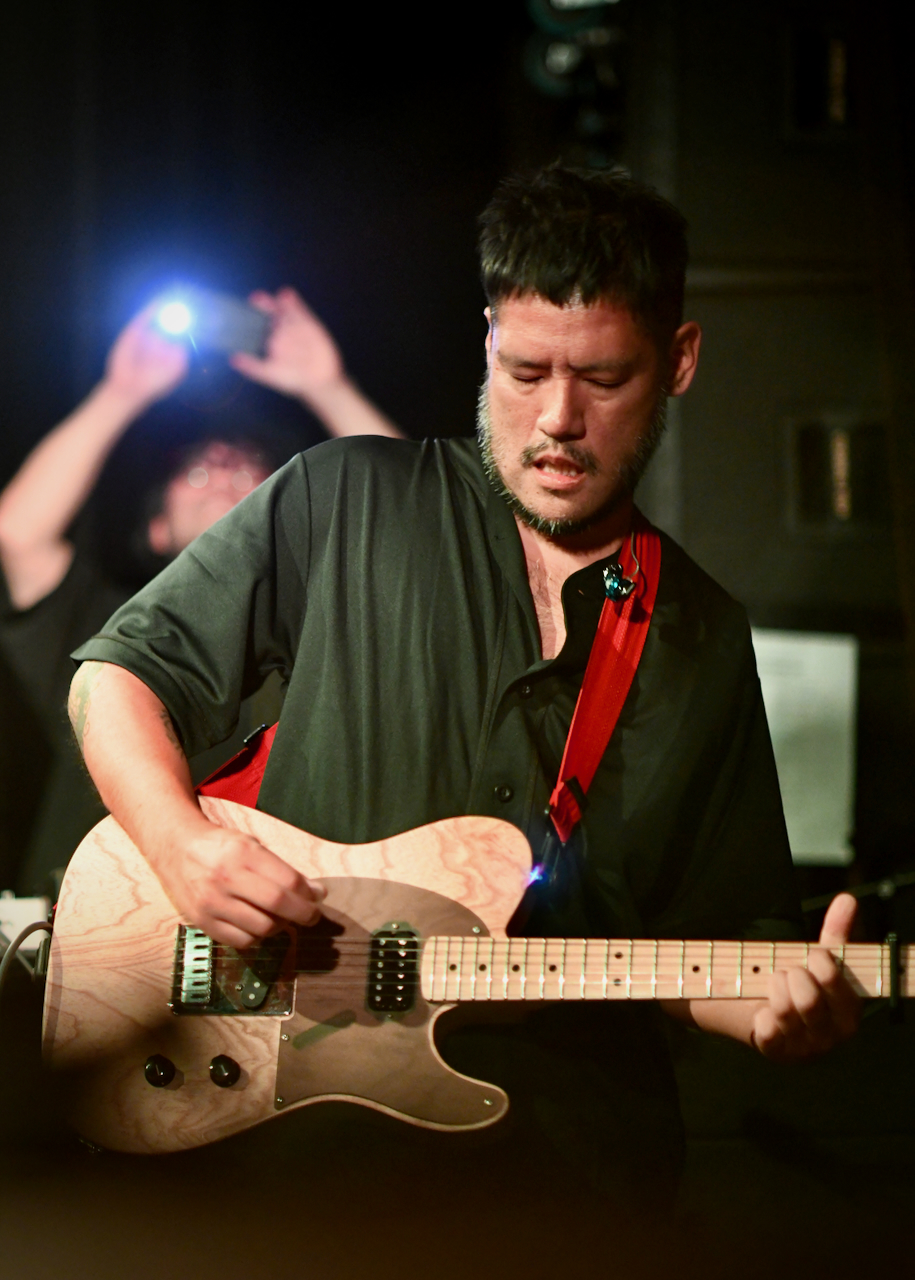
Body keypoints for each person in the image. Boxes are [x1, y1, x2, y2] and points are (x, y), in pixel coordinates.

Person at [65, 167, 860, 1259]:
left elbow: (717, 940)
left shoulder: (702, 632)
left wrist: (777, 1010)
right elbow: (116, 674)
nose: (558, 418)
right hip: (299, 1172)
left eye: (604, 377)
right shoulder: (346, 497)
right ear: (486, 339)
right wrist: (181, 845)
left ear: (678, 360)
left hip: (572, 1187)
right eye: (525, 370)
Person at [0, 288, 402, 894]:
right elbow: (19, 534)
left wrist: (327, 386)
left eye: (244, 469)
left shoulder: (327, 646)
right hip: (88, 931)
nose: (220, 475)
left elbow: (418, 524)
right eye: (196, 471)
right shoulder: (107, 626)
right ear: (157, 528)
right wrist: (121, 392)